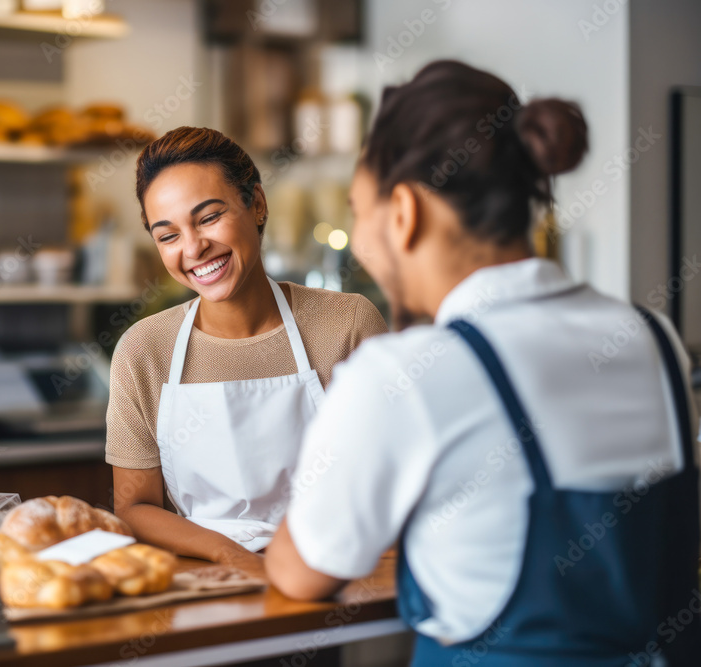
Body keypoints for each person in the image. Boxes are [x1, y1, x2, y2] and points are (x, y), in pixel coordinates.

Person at [266, 60, 700, 665]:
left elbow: (303, 571)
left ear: (404, 213)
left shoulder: (406, 374)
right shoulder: (655, 339)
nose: (360, 238)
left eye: (358, 211)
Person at [107, 126, 388, 573]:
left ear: (256, 203)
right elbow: (134, 508)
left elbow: (385, 479)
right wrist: (231, 555)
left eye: (208, 217)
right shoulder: (144, 350)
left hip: (334, 568)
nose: (194, 248)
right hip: (210, 579)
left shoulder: (346, 323)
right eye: (168, 235)